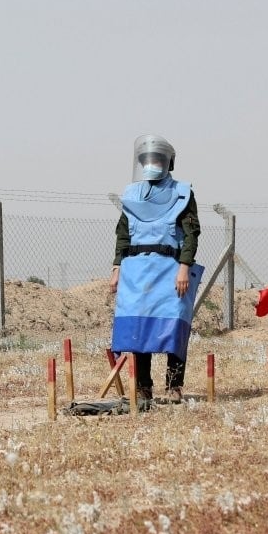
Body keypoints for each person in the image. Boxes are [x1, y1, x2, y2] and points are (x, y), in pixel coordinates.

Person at [109, 134, 203, 406]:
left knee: (173, 326)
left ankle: (174, 386)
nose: (152, 163)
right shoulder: (132, 194)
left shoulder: (182, 193)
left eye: (157, 159)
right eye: (147, 159)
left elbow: (191, 234)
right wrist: (117, 267)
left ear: (168, 162)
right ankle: (142, 387)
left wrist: (184, 267)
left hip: (171, 269)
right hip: (136, 270)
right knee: (139, 328)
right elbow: (123, 235)